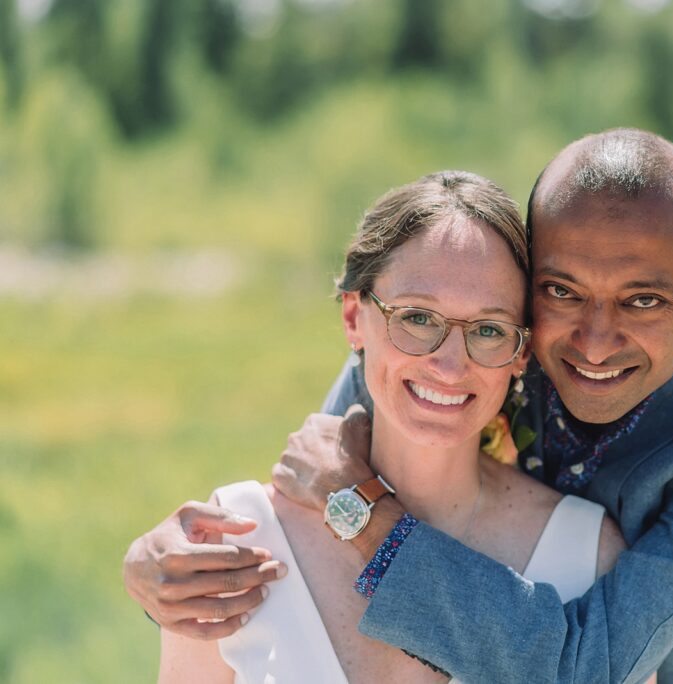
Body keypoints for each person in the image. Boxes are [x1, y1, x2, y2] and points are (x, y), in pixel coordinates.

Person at [125, 128, 673, 683]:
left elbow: (590, 669)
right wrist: (165, 569)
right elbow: (316, 485)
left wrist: (363, 516)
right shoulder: (487, 323)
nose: (596, 343)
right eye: (563, 292)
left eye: (642, 300)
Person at [156, 170, 638, 682]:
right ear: (352, 318)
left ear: (521, 354)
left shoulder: (588, 555)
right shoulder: (232, 545)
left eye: (490, 329)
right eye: (418, 318)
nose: (450, 366)